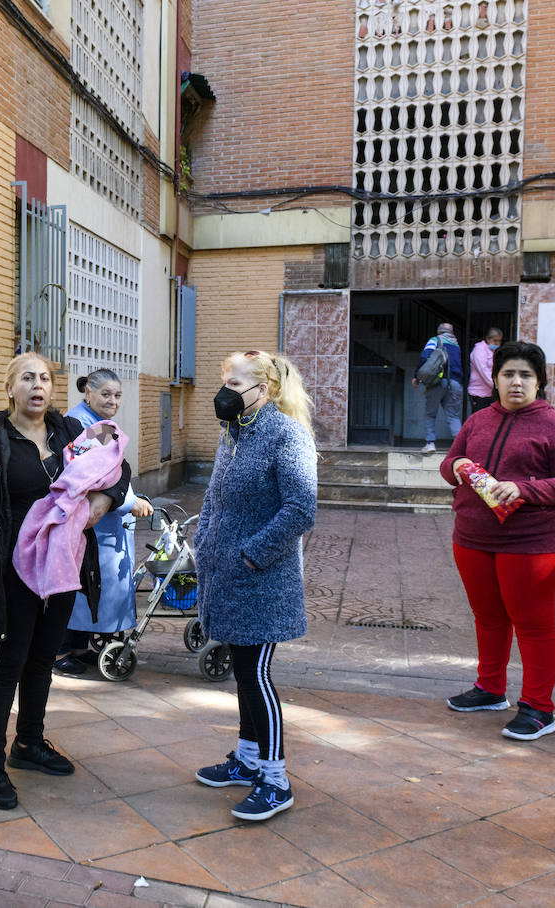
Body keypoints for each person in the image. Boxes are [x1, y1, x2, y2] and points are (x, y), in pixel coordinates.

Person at [0, 353, 130, 811]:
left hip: (63, 567)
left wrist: (104, 502)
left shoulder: (68, 432)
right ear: (10, 388)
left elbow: (117, 468)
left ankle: (28, 742)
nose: (37, 385)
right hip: (10, 569)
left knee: (43, 657)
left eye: (45, 378)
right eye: (27, 378)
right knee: (8, 662)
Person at [439, 341, 555, 741]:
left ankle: (540, 708)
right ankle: (490, 689)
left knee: (534, 625)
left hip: (534, 545)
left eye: (525, 375)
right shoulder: (477, 421)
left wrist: (524, 489)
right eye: (508, 374)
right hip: (472, 538)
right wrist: (454, 465)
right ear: (495, 379)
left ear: (539, 382)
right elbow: (448, 463)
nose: (516, 382)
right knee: (488, 617)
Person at [192, 350, 317, 822]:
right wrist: (204, 540)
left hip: (262, 580)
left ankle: (276, 778)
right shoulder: (234, 433)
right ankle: (247, 760)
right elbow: (215, 495)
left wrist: (250, 554)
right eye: (224, 379)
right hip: (227, 575)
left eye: (236, 382)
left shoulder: (287, 435)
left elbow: (300, 509)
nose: (225, 390)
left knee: (256, 674)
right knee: (243, 671)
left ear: (264, 390)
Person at [54, 369, 154, 675]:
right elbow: (89, 474)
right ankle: (60, 653)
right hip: (91, 519)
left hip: (105, 520)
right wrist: (128, 502)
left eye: (117, 395)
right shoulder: (80, 423)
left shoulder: (97, 423)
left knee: (92, 585)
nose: (112, 401)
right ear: (88, 393)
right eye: (105, 394)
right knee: (80, 584)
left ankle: (79, 647)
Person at [413, 321, 464, 451]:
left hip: (438, 382)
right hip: (455, 383)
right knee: (453, 416)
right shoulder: (456, 345)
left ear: (438, 332)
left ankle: (430, 443)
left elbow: (425, 358)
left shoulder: (434, 340)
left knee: (430, 414)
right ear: (452, 333)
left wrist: (417, 376)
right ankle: (460, 448)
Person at [467, 326, 503, 415]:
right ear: (488, 339)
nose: (498, 344)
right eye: (495, 341)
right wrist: (496, 386)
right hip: (479, 393)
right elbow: (483, 371)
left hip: (490, 393)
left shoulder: (493, 351)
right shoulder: (480, 349)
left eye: (499, 341)